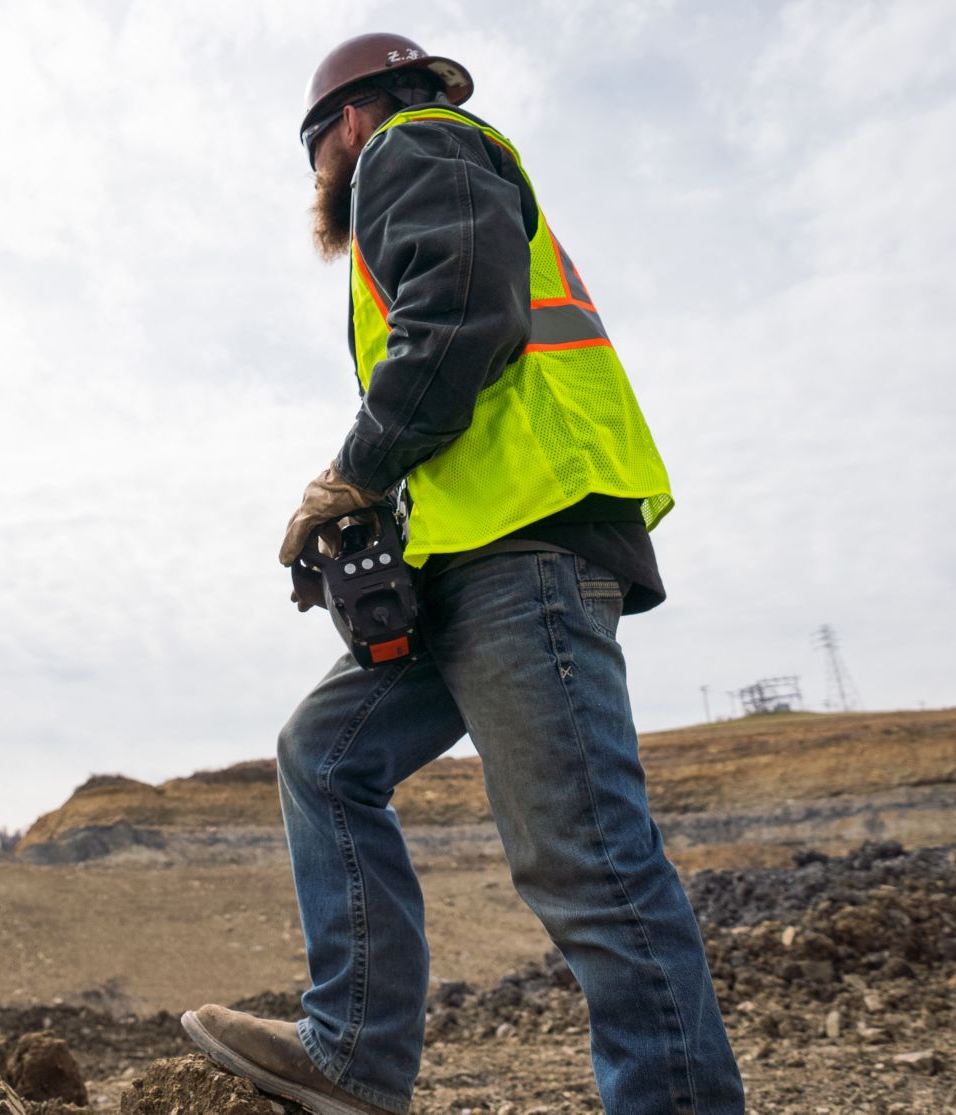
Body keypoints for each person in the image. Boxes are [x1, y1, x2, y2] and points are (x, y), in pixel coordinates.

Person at [179, 33, 745, 1115]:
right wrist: (378, 513)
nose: (318, 184)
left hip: (526, 548)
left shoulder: (412, 148)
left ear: (342, 124)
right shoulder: (427, 173)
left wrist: (351, 467)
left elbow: (461, 326)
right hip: (466, 559)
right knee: (325, 754)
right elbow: (452, 369)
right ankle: (351, 1051)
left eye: (314, 158)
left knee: (587, 861)